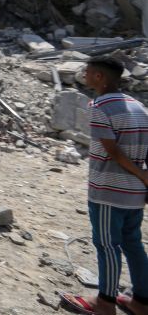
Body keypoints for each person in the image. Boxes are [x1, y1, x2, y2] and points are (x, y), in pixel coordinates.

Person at [61, 57, 148, 315]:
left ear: (99, 77)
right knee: (133, 243)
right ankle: (142, 301)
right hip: (134, 193)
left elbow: (113, 152)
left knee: (107, 246)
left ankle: (105, 303)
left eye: (87, 72)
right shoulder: (139, 107)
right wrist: (145, 180)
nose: (83, 75)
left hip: (109, 191)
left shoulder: (100, 106)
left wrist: (142, 175)